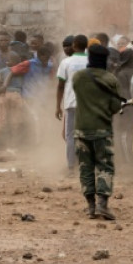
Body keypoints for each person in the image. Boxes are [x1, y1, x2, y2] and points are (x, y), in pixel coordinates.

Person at [72, 44, 131, 221]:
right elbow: (115, 107)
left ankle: (90, 206)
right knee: (105, 166)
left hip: (81, 130)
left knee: (85, 167)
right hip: (102, 130)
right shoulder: (111, 79)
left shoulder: (78, 77)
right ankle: (102, 205)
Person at [57, 35, 89, 176]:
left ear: (74, 46)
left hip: (71, 103)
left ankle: (71, 168)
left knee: (70, 136)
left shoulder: (66, 62)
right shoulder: (92, 61)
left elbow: (60, 86)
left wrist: (57, 105)